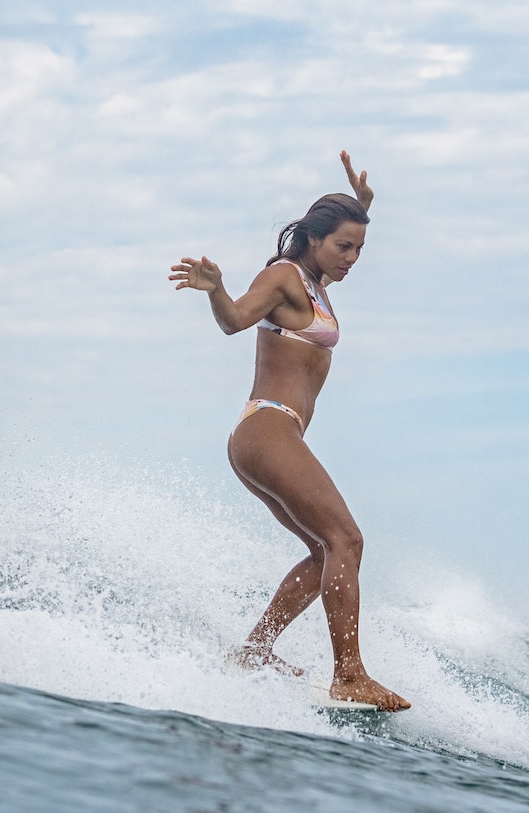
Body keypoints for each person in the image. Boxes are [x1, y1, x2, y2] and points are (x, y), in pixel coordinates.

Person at [169, 152, 410, 710]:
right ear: (311, 238)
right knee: (347, 539)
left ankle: (254, 650)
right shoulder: (284, 277)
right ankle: (349, 674)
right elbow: (234, 322)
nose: (352, 258)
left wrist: (363, 206)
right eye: (343, 246)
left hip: (274, 435)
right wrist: (215, 290)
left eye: (360, 249)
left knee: (325, 550)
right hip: (269, 429)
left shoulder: (318, 285)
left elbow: (340, 236)